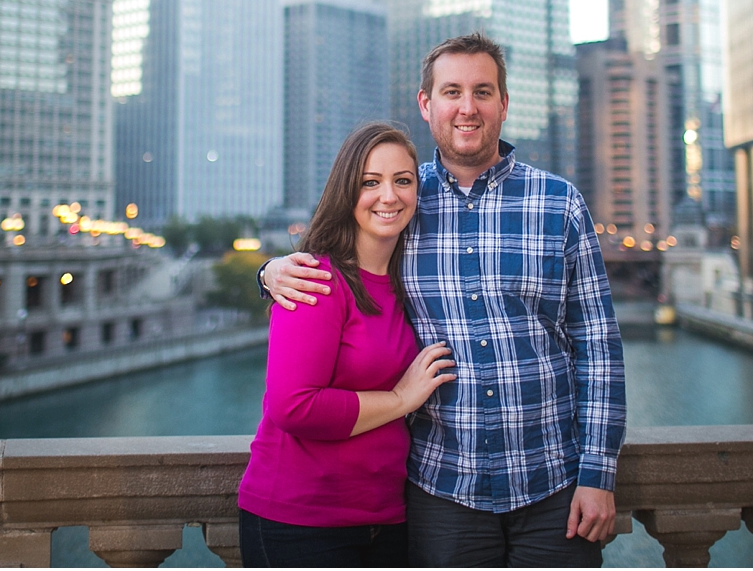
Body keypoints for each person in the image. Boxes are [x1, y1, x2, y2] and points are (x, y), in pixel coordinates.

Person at [262, 33, 625, 567]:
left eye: (482, 91)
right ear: (426, 104)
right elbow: (332, 259)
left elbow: (597, 345)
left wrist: (598, 473)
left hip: (555, 484)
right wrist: (268, 272)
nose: (467, 107)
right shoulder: (400, 197)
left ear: (503, 103)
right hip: (442, 487)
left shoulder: (560, 202)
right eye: (451, 91)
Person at [238, 122, 458, 567]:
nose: (389, 196)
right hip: (301, 522)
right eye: (370, 183)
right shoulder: (315, 279)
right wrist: (400, 399)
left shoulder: (407, 282)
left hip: (387, 517)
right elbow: (293, 406)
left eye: (403, 181)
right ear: (346, 191)